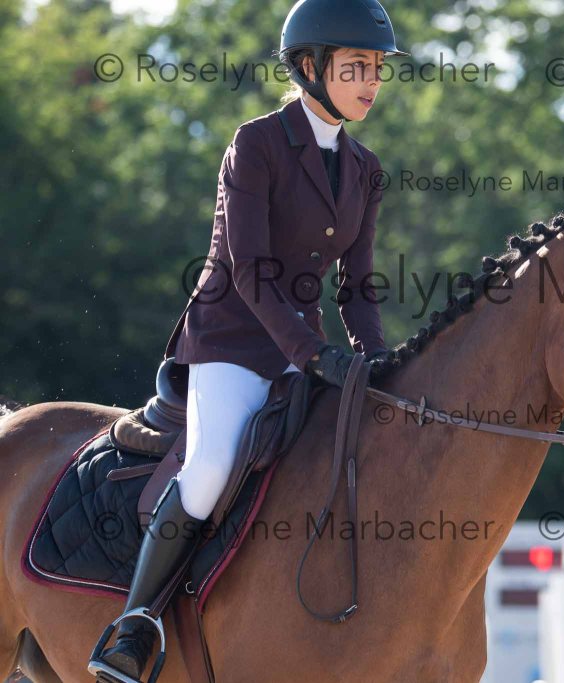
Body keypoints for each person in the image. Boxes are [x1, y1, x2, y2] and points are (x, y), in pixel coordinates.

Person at [87, 0, 406, 680]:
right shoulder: (257, 144)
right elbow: (249, 269)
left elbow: (357, 286)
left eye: (378, 68)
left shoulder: (365, 168)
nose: (372, 82)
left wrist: (377, 360)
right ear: (310, 67)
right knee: (210, 465)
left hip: (302, 351)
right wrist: (311, 354)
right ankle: (134, 625)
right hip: (230, 340)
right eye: (357, 67)